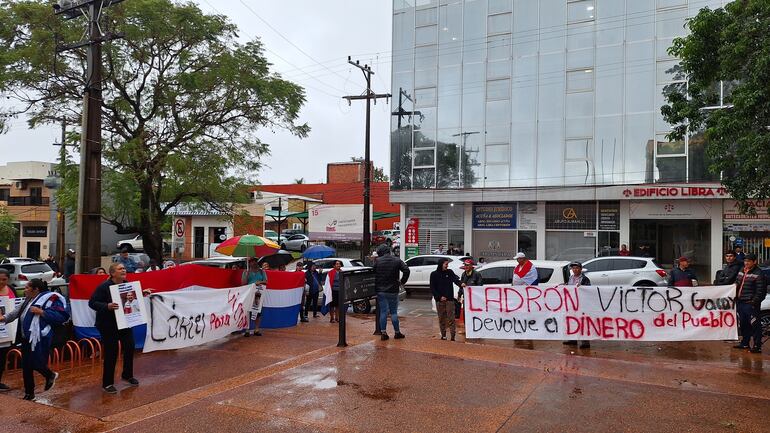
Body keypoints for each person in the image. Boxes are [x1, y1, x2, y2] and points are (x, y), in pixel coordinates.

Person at [0, 279, 68, 401]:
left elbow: (61, 316)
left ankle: (49, 375)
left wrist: (41, 312)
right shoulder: (27, 300)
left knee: (36, 363)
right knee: (26, 366)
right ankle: (29, 393)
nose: (24, 290)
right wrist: (3, 318)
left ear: (36, 289)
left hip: (40, 338)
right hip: (26, 337)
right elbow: (15, 314)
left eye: (27, 288)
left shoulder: (50, 299)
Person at [89, 263, 150, 394]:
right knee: (112, 352)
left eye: (124, 268)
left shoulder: (127, 284)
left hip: (124, 323)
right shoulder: (103, 287)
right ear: (112, 273)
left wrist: (141, 294)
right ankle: (107, 383)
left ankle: (127, 375)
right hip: (107, 325)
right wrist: (107, 306)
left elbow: (131, 297)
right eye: (120, 269)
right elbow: (92, 303)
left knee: (130, 346)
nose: (124, 270)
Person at [373, 244, 410, 341]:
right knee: (393, 312)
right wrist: (402, 282)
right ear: (389, 251)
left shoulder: (378, 261)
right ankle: (397, 333)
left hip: (381, 290)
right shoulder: (396, 260)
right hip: (393, 290)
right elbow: (406, 270)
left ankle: (383, 333)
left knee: (383, 312)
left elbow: (373, 272)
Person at [733, 253, 766, 353]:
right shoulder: (741, 270)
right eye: (745, 261)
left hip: (750, 304)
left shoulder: (759, 273)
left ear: (754, 262)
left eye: (748, 261)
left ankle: (757, 345)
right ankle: (745, 343)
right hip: (740, 302)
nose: (746, 263)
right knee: (743, 324)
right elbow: (737, 282)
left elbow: (761, 291)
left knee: (755, 325)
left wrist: (753, 302)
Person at [430, 258, 462, 341]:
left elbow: (455, 280)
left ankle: (452, 337)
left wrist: (461, 284)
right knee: (441, 319)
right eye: (446, 264)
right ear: (441, 264)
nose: (447, 266)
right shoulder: (434, 274)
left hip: (450, 300)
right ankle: (443, 336)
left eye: (447, 264)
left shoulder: (449, 272)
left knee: (451, 318)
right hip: (439, 300)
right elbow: (432, 288)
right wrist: (439, 297)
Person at [563, 262, 592, 349]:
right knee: (572, 321)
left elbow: (589, 289)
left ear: (580, 269)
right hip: (572, 303)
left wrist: (582, 287)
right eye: (573, 268)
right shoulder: (571, 278)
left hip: (581, 303)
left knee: (583, 322)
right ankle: (573, 339)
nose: (575, 270)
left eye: (577, 268)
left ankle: (585, 342)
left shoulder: (585, 279)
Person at [0, 269, 16, 392]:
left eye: (4, 279)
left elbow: (15, 308)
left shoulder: (11, 289)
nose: (1, 282)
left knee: (2, 358)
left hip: (6, 330)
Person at [242, 259, 268, 336]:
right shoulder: (246, 272)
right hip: (249, 294)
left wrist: (259, 282)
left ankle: (256, 329)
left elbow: (266, 281)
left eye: (255, 261)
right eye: (252, 262)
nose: (254, 263)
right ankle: (247, 329)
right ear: (249, 263)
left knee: (257, 311)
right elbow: (243, 283)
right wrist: (246, 275)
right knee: (248, 311)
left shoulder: (261, 271)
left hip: (258, 293)